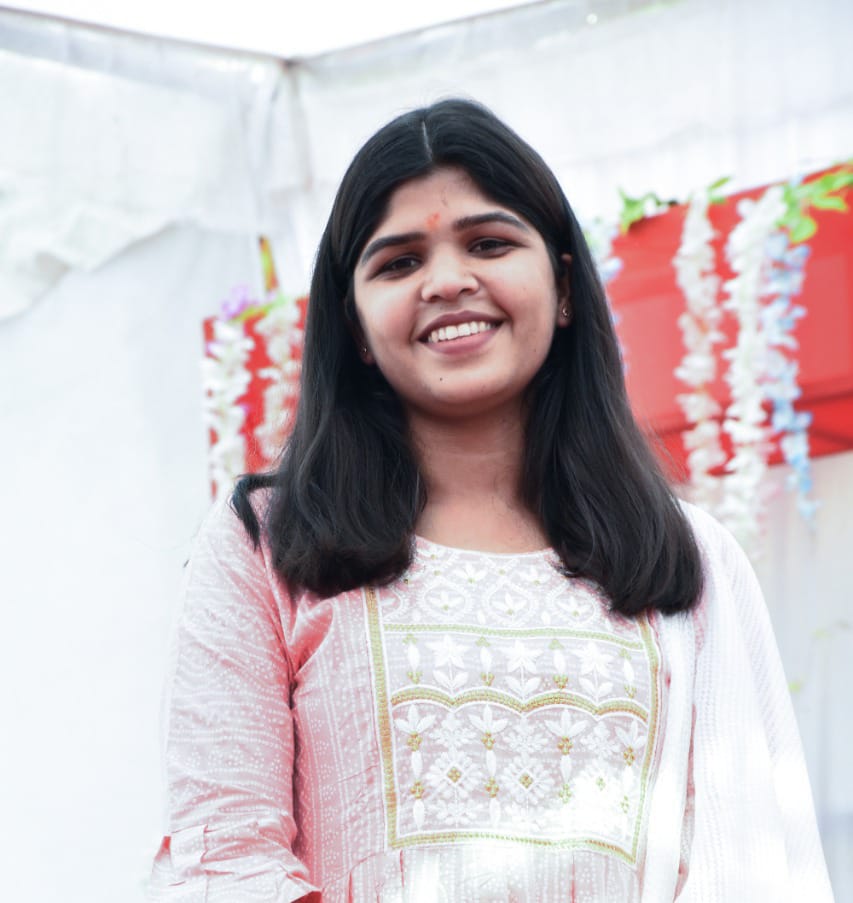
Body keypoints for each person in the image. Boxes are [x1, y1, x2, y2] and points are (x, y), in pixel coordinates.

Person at [148, 99, 833, 901]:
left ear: (564, 285)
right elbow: (225, 859)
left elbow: (743, 864)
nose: (447, 281)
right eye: (398, 262)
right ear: (354, 325)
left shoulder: (683, 555)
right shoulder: (267, 545)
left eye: (488, 243)